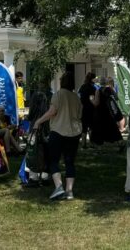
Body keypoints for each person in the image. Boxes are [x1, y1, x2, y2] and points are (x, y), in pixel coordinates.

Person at [32, 71, 82, 200]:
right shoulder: (76, 97)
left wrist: (38, 121)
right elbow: (80, 114)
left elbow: (52, 112)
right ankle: (69, 191)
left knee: (53, 160)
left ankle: (58, 186)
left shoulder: (58, 95)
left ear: (62, 82)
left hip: (59, 131)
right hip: (75, 132)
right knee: (70, 161)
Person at [91, 79, 123, 146]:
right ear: (106, 83)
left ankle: (100, 144)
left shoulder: (98, 91)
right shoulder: (110, 89)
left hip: (100, 112)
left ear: (100, 83)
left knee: (100, 127)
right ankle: (120, 142)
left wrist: (91, 100)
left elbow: (96, 103)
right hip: (109, 111)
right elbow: (116, 98)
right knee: (113, 127)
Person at [78, 72, 100, 148]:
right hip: (90, 109)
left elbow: (79, 98)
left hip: (83, 109)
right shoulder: (92, 88)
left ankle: (83, 144)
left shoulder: (82, 87)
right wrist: (95, 104)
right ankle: (91, 143)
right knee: (91, 126)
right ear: (92, 79)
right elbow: (91, 99)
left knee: (84, 127)